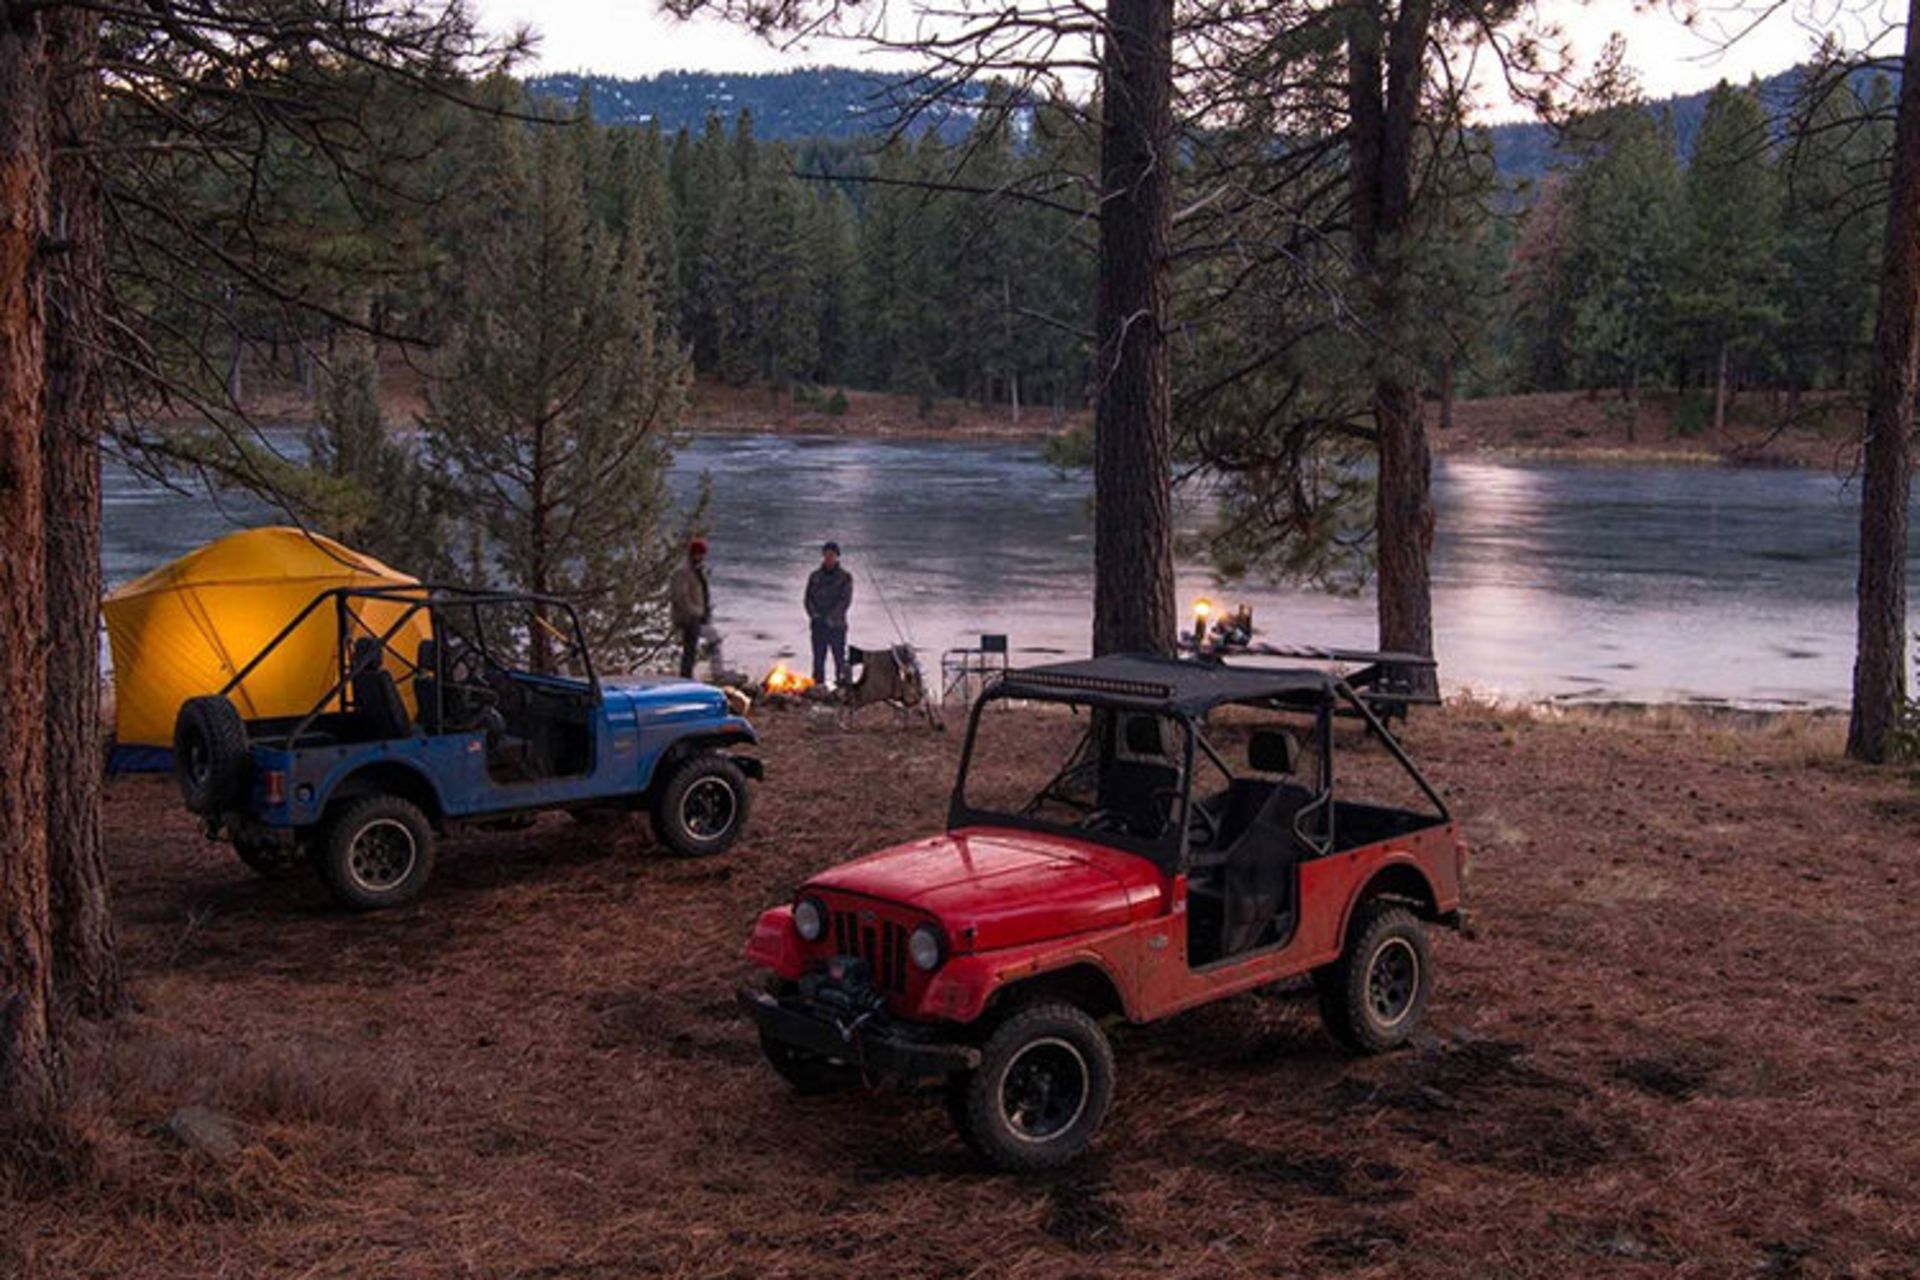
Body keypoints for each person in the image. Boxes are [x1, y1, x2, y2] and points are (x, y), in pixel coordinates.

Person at [804, 540, 853, 688]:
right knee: (818, 659)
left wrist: (831, 618)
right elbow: (808, 599)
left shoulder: (845, 577)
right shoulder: (815, 576)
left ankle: (842, 687)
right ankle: (818, 688)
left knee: (839, 659)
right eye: (827, 555)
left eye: (832, 555)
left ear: (837, 557)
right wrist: (814, 615)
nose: (829, 558)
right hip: (818, 625)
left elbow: (845, 601)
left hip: (837, 626)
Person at [668, 537, 711, 679]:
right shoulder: (683, 572)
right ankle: (685, 677)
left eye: (704, 554)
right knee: (689, 650)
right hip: (687, 617)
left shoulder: (698, 570)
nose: (703, 557)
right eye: (700, 554)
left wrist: (704, 612)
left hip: (696, 615)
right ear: (693, 554)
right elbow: (680, 597)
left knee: (692, 650)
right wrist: (696, 612)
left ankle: (687, 675)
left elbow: (702, 592)